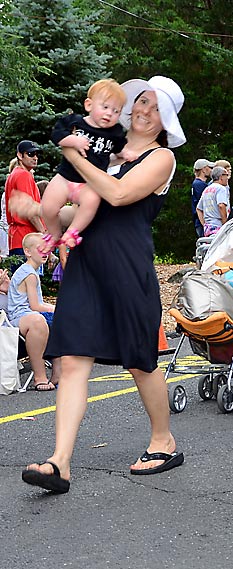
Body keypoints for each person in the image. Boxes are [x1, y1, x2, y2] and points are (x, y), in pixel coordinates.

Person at [20, 75, 187, 495]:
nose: (144, 110)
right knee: (74, 360)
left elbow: (115, 195)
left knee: (138, 358)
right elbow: (73, 208)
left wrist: (71, 154)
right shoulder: (105, 149)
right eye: (141, 101)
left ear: (165, 120)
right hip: (85, 264)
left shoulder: (161, 158)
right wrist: (44, 227)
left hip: (127, 265)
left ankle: (163, 440)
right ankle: (59, 462)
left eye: (155, 107)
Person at [40, 79, 131, 252]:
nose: (109, 114)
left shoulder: (115, 133)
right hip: (65, 177)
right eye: (105, 107)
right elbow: (57, 135)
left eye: (116, 111)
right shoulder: (76, 122)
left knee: (92, 202)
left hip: (89, 184)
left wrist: (125, 154)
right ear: (89, 104)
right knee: (48, 206)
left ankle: (72, 232)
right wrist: (74, 140)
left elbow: (119, 149)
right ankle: (54, 234)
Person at [6, 232, 61, 391]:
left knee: (60, 322)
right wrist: (55, 308)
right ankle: (41, 376)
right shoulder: (29, 273)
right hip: (19, 317)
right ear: (28, 252)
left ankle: (58, 371)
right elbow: (35, 306)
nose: (45, 252)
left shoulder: (32, 271)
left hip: (27, 313)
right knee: (43, 320)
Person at [5, 140, 46, 260]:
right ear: (19, 155)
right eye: (30, 154)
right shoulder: (24, 175)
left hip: (17, 238)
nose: (35, 158)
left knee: (20, 277)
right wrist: (44, 234)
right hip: (28, 239)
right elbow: (30, 211)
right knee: (31, 278)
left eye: (36, 154)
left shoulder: (14, 174)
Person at [196, 165, 230, 236]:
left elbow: (198, 209)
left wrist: (204, 224)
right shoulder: (221, 189)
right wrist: (225, 225)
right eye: (226, 175)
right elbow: (221, 205)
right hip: (218, 227)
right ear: (221, 177)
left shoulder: (206, 190)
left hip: (208, 228)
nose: (227, 178)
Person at [191, 158, 215, 238]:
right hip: (202, 223)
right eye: (210, 168)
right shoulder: (199, 184)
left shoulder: (199, 184)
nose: (211, 170)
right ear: (204, 170)